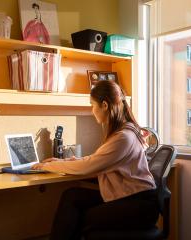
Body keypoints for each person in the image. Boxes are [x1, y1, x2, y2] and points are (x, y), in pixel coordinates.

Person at [32, 80, 158, 240]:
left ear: (104, 105)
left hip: (139, 205)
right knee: (72, 196)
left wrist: (49, 166)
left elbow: (88, 166)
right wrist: (64, 161)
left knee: (77, 217)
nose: (92, 111)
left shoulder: (123, 137)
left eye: (93, 105)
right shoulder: (124, 131)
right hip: (128, 197)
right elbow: (97, 159)